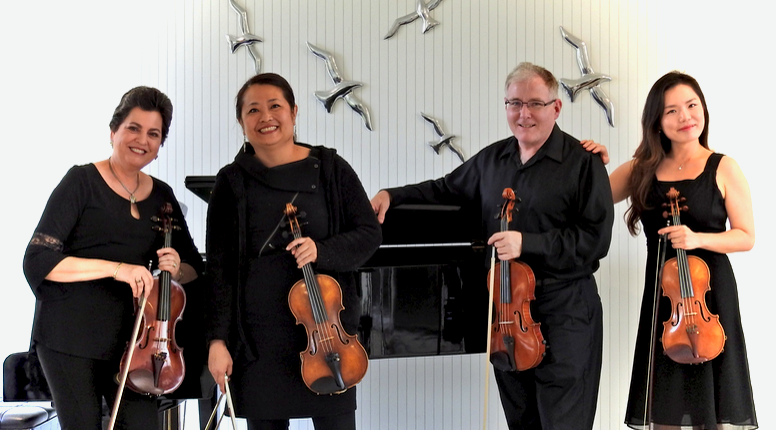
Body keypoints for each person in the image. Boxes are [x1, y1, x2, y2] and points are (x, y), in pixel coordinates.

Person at [372, 62, 614, 429]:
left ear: (556, 108)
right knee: (521, 421)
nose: (524, 113)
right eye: (514, 103)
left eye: (535, 103)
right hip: (507, 315)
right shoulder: (492, 160)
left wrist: (526, 243)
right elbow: (443, 189)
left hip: (566, 313)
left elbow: (595, 241)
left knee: (565, 422)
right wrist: (391, 194)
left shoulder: (584, 163)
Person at [205, 73, 381, 430]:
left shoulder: (332, 168)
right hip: (257, 344)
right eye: (253, 110)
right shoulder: (231, 181)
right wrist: (217, 341)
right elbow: (220, 270)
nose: (265, 117)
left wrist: (322, 250)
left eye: (275, 106)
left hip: (326, 335)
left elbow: (368, 234)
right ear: (241, 123)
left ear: (294, 111)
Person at [22, 86, 204, 430]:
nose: (142, 140)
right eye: (133, 128)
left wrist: (177, 268)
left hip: (138, 344)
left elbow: (195, 269)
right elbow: (37, 259)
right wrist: (117, 269)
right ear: (113, 132)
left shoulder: (162, 197)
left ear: (160, 145)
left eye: (154, 134)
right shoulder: (81, 182)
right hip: (71, 339)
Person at [584, 71, 757, 429]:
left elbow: (745, 236)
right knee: (664, 409)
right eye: (672, 111)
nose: (685, 117)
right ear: (657, 122)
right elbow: (590, 198)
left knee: (711, 411)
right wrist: (593, 163)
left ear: (703, 109)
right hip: (665, 305)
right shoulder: (640, 169)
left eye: (691, 106)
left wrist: (697, 239)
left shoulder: (723, 167)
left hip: (711, 301)